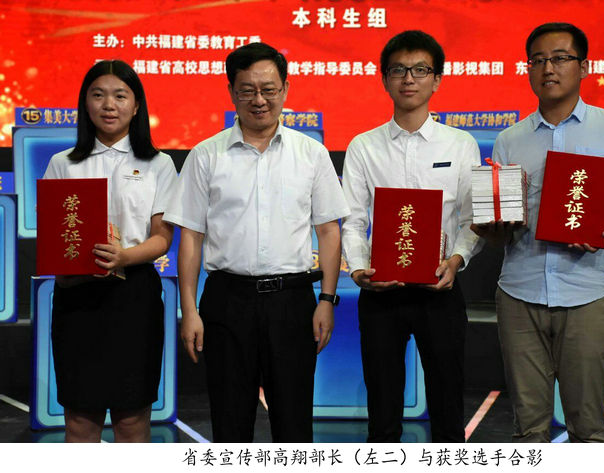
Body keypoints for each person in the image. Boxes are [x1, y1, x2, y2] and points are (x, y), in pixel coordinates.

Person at [473, 22, 604, 442]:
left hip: (586, 292)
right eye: (537, 61)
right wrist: (492, 226)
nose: (548, 69)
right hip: (519, 294)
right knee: (528, 430)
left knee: (588, 427)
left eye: (559, 58)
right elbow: (502, 232)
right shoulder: (509, 139)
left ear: (583, 66)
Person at [163, 42, 349, 443]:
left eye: (269, 89)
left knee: (294, 425)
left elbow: (329, 231)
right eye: (247, 90)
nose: (259, 100)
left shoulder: (311, 154)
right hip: (227, 301)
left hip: (292, 302)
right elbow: (191, 237)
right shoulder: (206, 155)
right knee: (230, 425)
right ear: (232, 92)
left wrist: (327, 300)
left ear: (286, 89)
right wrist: (189, 311)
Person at [341, 30, 482, 442]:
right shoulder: (363, 146)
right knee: (382, 411)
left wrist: (456, 261)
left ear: (437, 79)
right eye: (398, 70)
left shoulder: (460, 144)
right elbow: (352, 219)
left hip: (440, 288)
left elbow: (471, 218)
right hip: (381, 291)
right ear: (384, 79)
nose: (409, 78)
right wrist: (360, 269)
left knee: (448, 408)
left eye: (420, 70)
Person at [43, 60, 177, 442]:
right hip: (77, 296)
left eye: (120, 96)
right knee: (79, 420)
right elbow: (54, 235)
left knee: (132, 419)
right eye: (98, 95)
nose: (109, 105)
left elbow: (162, 238)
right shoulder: (62, 163)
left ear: (136, 106)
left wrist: (124, 257)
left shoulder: (158, 164)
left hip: (134, 297)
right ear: (85, 103)